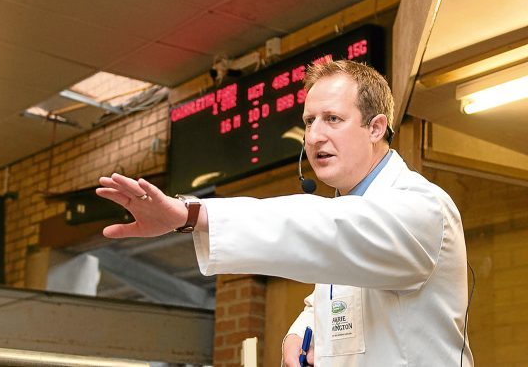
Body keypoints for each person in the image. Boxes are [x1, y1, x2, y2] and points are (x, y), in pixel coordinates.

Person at [96, 59, 473, 366]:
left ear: (375, 127)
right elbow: (340, 294)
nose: (313, 137)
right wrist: (302, 329)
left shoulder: (421, 206)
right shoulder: (349, 211)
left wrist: (191, 215)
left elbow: (329, 230)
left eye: (333, 119)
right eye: (309, 121)